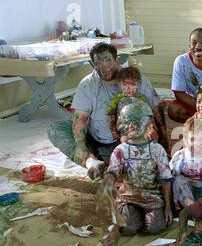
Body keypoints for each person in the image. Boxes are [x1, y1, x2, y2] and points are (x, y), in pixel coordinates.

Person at [47, 42, 168, 170]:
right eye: (98, 63)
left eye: (108, 60)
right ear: (93, 65)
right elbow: (80, 118)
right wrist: (80, 145)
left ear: (117, 60)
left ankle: (108, 162)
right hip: (94, 138)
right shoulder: (87, 84)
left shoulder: (135, 79)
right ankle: (91, 162)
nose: (104, 67)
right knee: (55, 129)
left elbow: (156, 109)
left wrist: (163, 139)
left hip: (127, 141)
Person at [102, 101, 173, 237]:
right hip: (129, 197)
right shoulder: (121, 150)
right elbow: (113, 171)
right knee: (128, 229)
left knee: (156, 228)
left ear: (148, 126)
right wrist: (108, 179)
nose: (129, 127)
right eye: (126, 123)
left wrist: (167, 207)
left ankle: (143, 216)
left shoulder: (157, 150)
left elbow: (165, 180)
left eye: (134, 123)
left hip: (152, 197)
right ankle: (131, 213)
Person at [170, 118, 202, 211]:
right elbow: (172, 174)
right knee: (178, 180)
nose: (197, 143)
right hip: (186, 193)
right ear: (185, 140)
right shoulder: (180, 156)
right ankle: (193, 209)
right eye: (192, 139)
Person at [105, 66, 157, 143]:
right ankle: (127, 154)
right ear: (119, 84)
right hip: (125, 129)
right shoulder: (117, 100)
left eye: (133, 84)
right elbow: (111, 115)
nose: (128, 88)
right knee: (124, 140)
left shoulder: (142, 99)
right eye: (125, 85)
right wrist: (113, 130)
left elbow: (148, 114)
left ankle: (152, 153)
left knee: (153, 136)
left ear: (138, 84)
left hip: (142, 127)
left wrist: (153, 126)